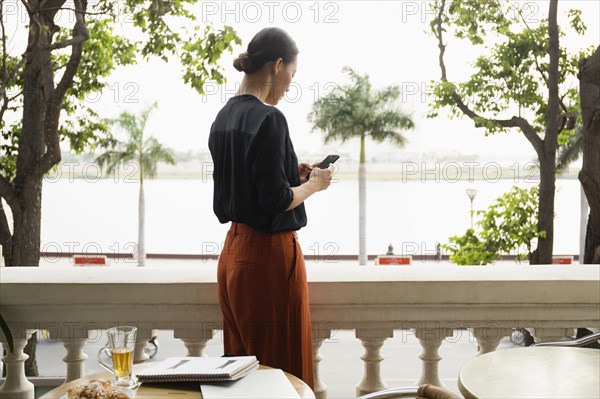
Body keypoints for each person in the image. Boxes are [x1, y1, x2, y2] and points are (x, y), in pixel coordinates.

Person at [208, 27, 334, 389]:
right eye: (291, 75)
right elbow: (276, 201)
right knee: (282, 374)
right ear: (277, 65)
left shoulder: (223, 118)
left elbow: (247, 182)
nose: (290, 86)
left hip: (233, 255)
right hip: (268, 257)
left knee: (242, 372)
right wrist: (314, 184)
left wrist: (291, 172)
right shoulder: (270, 118)